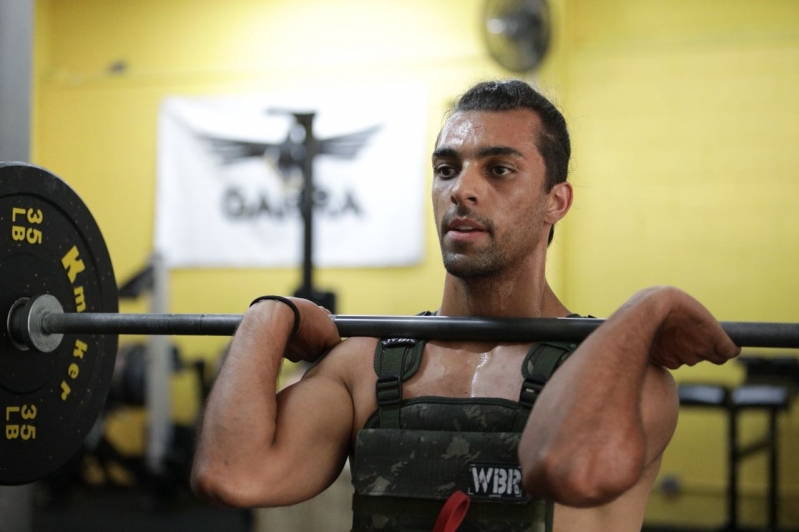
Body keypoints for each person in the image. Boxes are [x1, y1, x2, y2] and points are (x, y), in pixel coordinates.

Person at [191, 79, 740, 531]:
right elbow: (231, 476)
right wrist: (268, 316)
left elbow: (564, 468)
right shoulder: (367, 365)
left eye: (498, 169)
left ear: (557, 201)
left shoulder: (624, 377)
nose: (461, 190)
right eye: (447, 169)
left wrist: (644, 311)